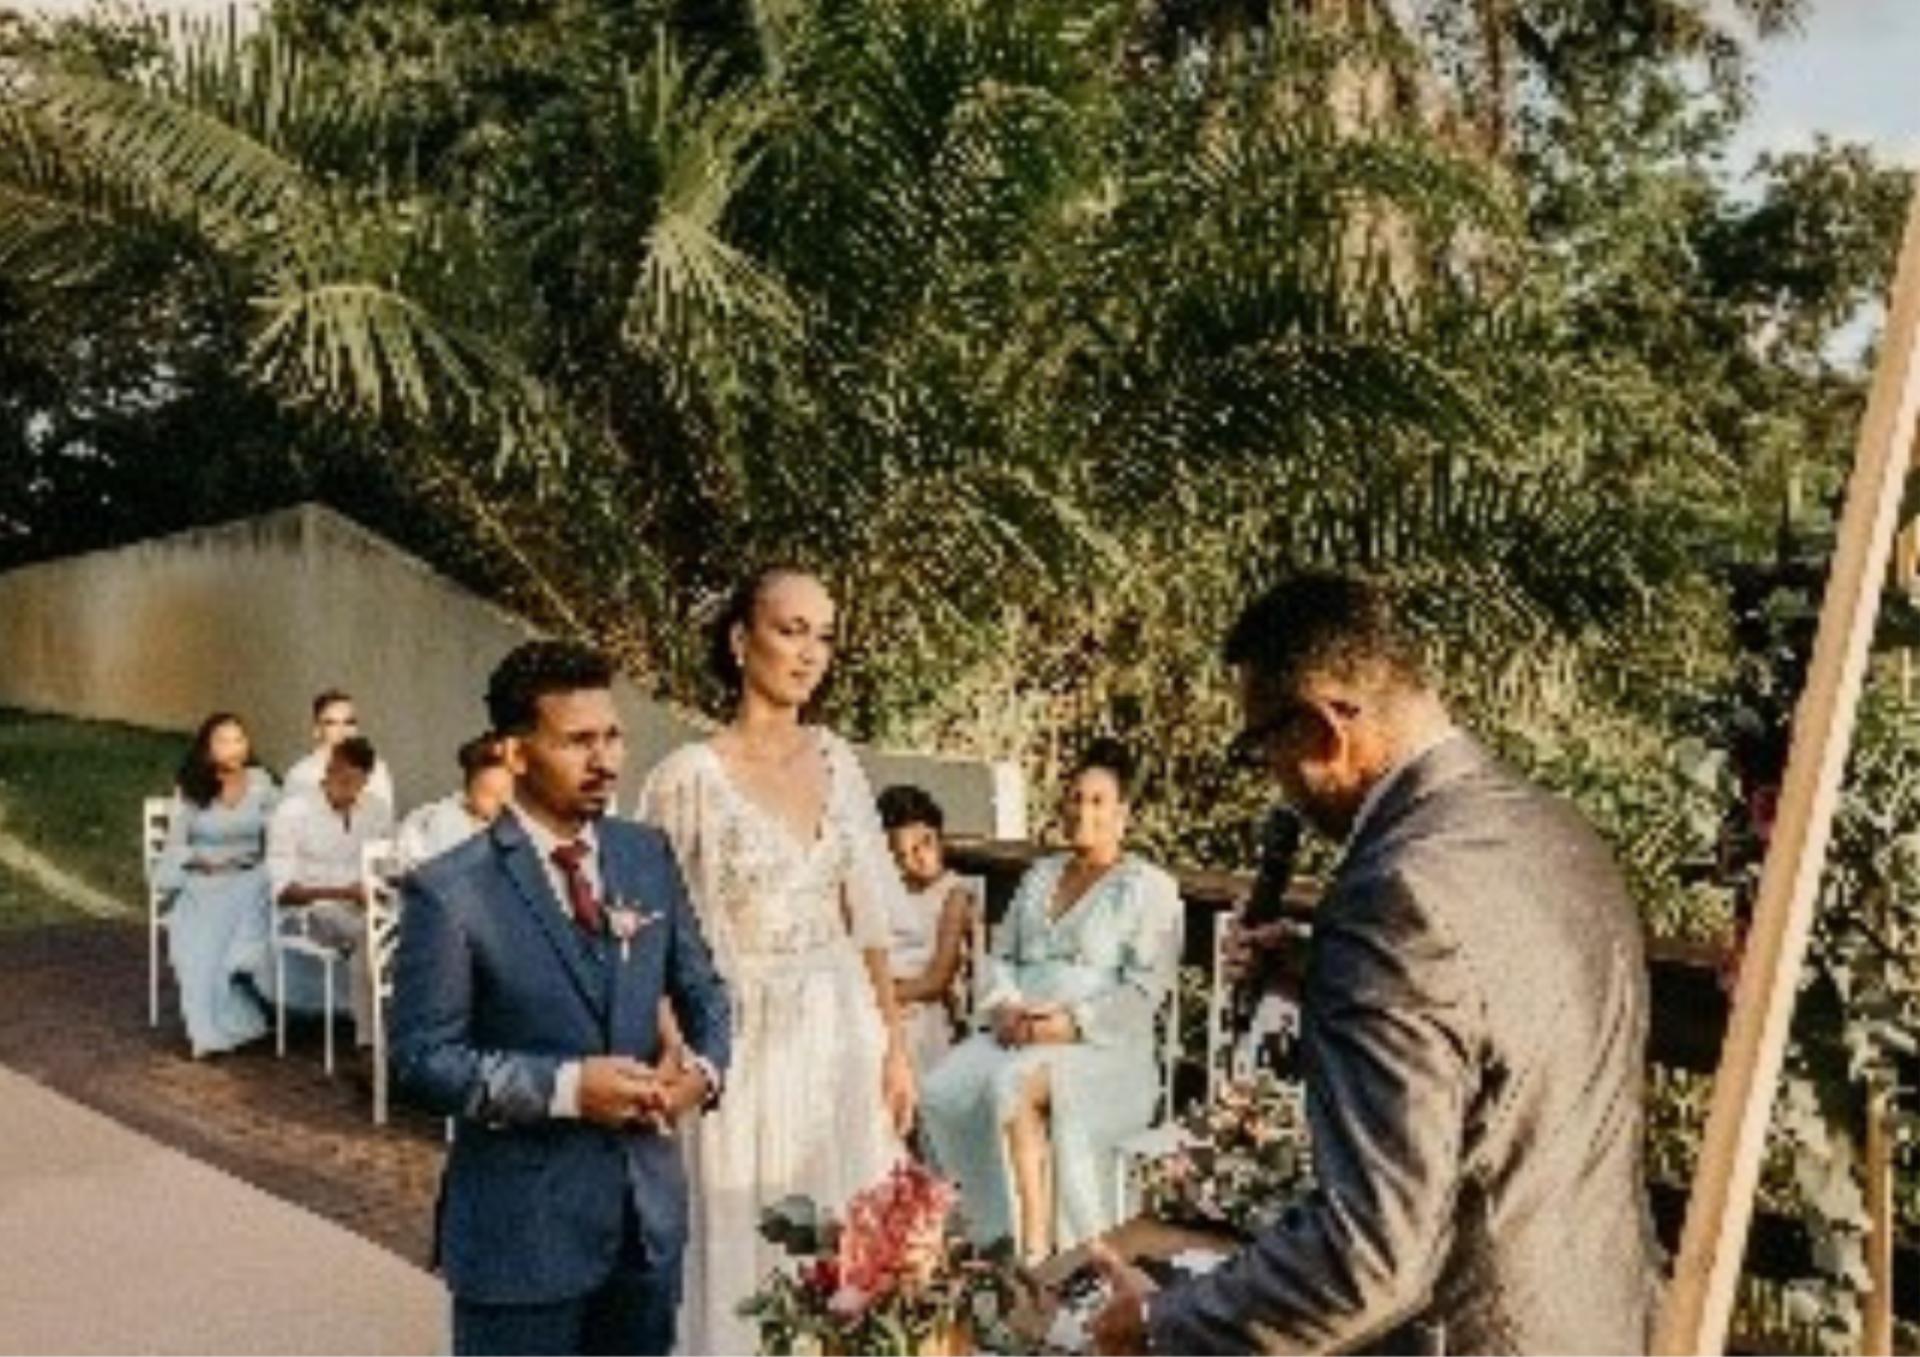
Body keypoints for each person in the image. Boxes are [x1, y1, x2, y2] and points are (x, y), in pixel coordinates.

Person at [1090, 572, 1659, 1355]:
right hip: (1606, 1316)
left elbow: (1369, 1258)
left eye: (1263, 747)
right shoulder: (1555, 829)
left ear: (1325, 728)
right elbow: (1498, 1025)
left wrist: (1162, 1323)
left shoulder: (1391, 895)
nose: (1275, 783)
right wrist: (1322, 971)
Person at [390, 640, 731, 1357]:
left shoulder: (646, 854)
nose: (605, 760)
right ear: (514, 754)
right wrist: (569, 1089)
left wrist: (701, 1073)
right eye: (578, 741)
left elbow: (703, 990)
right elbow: (422, 1061)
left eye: (613, 736)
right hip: (520, 1241)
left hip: (644, 1227)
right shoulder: (449, 890)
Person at [634, 565, 916, 1356]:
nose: (810, 653)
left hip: (842, 1035)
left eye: (823, 636)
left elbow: (867, 920)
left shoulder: (836, 760)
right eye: (791, 630)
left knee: (849, 1242)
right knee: (745, 1237)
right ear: (740, 639)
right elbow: (649, 935)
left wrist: (894, 1043)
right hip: (739, 1040)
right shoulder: (686, 779)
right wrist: (677, 1050)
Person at [920, 738, 1183, 1264]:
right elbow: (1002, 957)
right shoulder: (1040, 875)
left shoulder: (1148, 888)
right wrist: (1003, 1006)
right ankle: (975, 1233)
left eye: (1098, 801)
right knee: (940, 1088)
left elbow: (1144, 991)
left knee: (1013, 1086)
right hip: (1019, 1029)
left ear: (1123, 814)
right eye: (1075, 798)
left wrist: (1071, 1022)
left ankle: (1034, 1252)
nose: (1082, 811)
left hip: (1104, 1047)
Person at [154, 712, 278, 1057]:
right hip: (205, 881)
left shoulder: (261, 782)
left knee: (258, 903)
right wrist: (199, 860)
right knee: (198, 951)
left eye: (239, 740)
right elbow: (176, 845)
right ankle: (213, 1028)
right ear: (207, 748)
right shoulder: (192, 786)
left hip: (251, 878)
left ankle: (250, 975)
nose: (233, 748)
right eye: (223, 741)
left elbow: (284, 830)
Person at [265, 735, 394, 1045]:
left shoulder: (376, 809)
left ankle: (406, 1031)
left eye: (357, 781)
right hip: (311, 909)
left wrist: (379, 890)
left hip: (364, 904)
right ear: (329, 769)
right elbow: (282, 890)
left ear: (366, 780)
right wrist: (344, 893)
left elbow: (389, 866)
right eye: (341, 777)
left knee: (414, 930)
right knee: (370, 935)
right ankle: (370, 1041)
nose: (348, 788)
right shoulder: (293, 811)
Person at [877, 783, 975, 1080]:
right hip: (886, 995)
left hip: (924, 1004)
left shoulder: (954, 894)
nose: (916, 860)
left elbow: (937, 980)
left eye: (924, 844)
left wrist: (883, 997)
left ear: (939, 835)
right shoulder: (890, 894)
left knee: (910, 1032)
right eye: (902, 855)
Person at [396, 734, 513, 871]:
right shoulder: (429, 820)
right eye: (490, 795)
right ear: (469, 789)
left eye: (508, 793)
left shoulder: (519, 824)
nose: (503, 802)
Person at [282, 689, 396, 812]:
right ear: (317, 730)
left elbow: (385, 817)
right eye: (332, 723)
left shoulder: (377, 770)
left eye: (349, 722)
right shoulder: (300, 775)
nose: (342, 730)